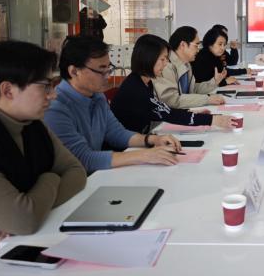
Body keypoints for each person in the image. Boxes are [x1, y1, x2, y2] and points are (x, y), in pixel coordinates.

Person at [0, 41, 86, 273]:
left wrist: (30, 210)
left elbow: (77, 173)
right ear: (8, 90)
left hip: (13, 248)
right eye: (45, 86)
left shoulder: (32, 126)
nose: (53, 95)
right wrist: (51, 177)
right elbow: (23, 220)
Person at [45, 36, 184, 174]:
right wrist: (145, 155)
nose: (108, 76)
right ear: (74, 71)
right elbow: (82, 159)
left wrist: (153, 140)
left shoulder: (97, 96)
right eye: (101, 70)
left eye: (109, 68)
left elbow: (117, 133)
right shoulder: (55, 108)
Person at [111, 34, 234, 134]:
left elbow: (162, 110)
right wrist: (212, 120)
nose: (165, 64)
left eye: (166, 59)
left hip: (142, 137)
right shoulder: (135, 88)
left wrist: (190, 113)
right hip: (128, 147)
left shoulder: (145, 82)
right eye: (162, 59)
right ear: (148, 59)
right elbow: (168, 113)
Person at [153, 26, 226, 108]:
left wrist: (214, 82)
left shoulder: (186, 64)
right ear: (183, 45)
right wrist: (207, 99)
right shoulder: (166, 66)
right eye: (196, 45)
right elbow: (171, 100)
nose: (198, 50)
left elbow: (193, 90)